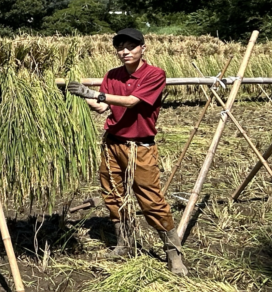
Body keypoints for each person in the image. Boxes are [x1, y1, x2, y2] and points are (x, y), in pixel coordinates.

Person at [67, 28, 187, 276]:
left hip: (140, 148)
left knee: (151, 200)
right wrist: (78, 94)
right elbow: (101, 106)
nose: (125, 52)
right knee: (112, 195)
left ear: (143, 48)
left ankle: (173, 254)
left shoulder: (155, 74)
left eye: (131, 47)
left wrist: (94, 93)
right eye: (120, 47)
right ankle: (125, 242)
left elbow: (132, 101)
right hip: (113, 143)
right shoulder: (113, 75)